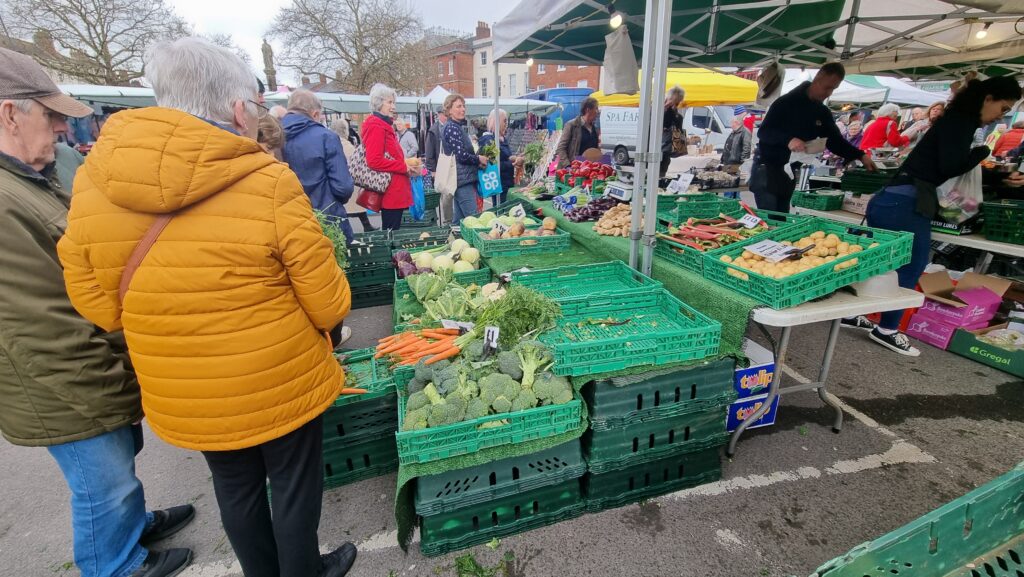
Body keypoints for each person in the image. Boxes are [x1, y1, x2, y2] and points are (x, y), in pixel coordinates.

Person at [57, 37, 359, 577]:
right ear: (239, 110)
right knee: (291, 485)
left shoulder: (94, 183)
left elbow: (97, 306)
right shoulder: (267, 181)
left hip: (183, 387)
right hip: (278, 375)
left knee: (235, 487)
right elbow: (326, 297)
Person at [0, 46, 196, 577]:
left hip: (92, 365)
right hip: (67, 383)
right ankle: (115, 564)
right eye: (52, 115)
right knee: (100, 481)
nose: (63, 128)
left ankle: (130, 524)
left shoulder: (28, 180)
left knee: (117, 471)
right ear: (9, 113)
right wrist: (110, 381)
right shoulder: (4, 198)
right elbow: (35, 325)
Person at [859, 76, 1022, 356]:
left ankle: (855, 314)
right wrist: (982, 152)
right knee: (910, 266)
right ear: (988, 98)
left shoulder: (954, 120)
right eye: (1003, 108)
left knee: (876, 261)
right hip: (906, 204)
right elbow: (951, 165)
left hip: (893, 200)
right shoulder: (960, 122)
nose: (1001, 115)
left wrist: (996, 175)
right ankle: (887, 328)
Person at [751, 63, 877, 212]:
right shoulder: (786, 102)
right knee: (770, 218)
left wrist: (860, 155)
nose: (828, 93)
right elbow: (764, 132)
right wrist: (788, 139)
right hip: (767, 169)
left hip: (788, 172)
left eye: (833, 89)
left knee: (781, 217)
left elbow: (834, 141)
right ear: (818, 78)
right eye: (827, 87)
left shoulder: (821, 111)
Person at [281, 90, 356, 245]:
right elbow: (343, 187)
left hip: (288, 224)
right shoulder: (326, 137)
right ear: (315, 114)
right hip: (327, 220)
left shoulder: (271, 135)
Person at [361, 83, 415, 231]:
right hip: (391, 193)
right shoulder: (376, 126)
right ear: (379, 104)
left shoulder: (383, 125)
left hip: (394, 191)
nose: (393, 106)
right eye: (389, 102)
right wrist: (403, 166)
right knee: (391, 234)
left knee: (393, 232)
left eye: (393, 102)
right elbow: (374, 160)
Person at [442, 93, 487, 225]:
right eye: (458, 106)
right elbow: (461, 156)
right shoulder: (452, 128)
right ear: (449, 110)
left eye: (464, 106)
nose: (463, 109)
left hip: (461, 179)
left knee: (459, 222)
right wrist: (478, 159)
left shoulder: (456, 127)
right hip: (462, 182)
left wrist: (477, 162)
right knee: (474, 221)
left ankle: (452, 242)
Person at [330, 117, 376, 233]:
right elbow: (357, 164)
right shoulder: (347, 146)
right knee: (355, 204)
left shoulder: (330, 144)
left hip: (336, 183)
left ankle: (360, 227)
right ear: (345, 130)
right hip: (348, 182)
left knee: (345, 209)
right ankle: (365, 226)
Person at [478, 108, 520, 207]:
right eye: (504, 121)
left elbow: (503, 157)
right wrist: (512, 163)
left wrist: (513, 158)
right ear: (496, 121)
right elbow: (492, 164)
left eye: (507, 121)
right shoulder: (488, 140)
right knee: (500, 210)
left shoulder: (502, 138)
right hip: (498, 184)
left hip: (506, 182)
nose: (506, 124)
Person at [555, 96, 600, 169]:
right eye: (596, 108)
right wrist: (568, 165)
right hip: (574, 169)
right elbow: (560, 149)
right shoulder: (571, 125)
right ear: (588, 110)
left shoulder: (595, 128)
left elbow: (595, 149)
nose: (598, 111)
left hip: (590, 171)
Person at [660, 86, 686, 178]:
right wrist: (666, 108)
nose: (675, 105)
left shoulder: (675, 114)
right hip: (658, 148)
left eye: (677, 103)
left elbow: (678, 127)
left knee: (662, 171)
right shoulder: (658, 109)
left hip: (666, 150)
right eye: (675, 101)